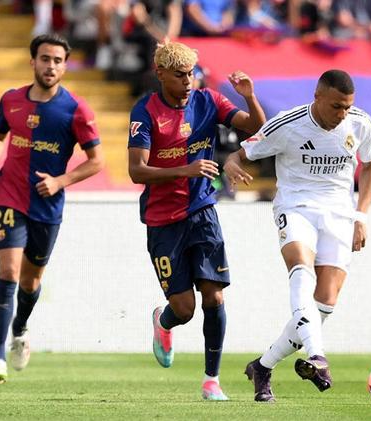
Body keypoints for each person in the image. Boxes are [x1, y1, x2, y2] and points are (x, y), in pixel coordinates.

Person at [223, 69, 371, 402]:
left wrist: (361, 216)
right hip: (296, 207)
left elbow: (370, 164)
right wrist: (231, 163)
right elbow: (241, 153)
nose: (343, 114)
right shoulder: (287, 124)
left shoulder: (361, 123)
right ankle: (318, 356)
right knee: (300, 269)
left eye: (347, 106)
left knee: (324, 304)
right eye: (336, 106)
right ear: (317, 96)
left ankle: (263, 366)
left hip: (339, 213)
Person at [127, 41, 265, 401]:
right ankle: (163, 321)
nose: (188, 81)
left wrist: (249, 97)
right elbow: (136, 170)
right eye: (180, 75)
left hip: (202, 209)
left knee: (214, 296)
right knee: (184, 309)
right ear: (161, 74)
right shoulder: (145, 111)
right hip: (162, 219)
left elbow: (255, 127)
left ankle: (211, 380)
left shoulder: (209, 101)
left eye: (191, 74)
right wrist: (184, 169)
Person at [0, 34, 105, 384]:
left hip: (47, 205)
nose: (51, 66)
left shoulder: (76, 110)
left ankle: (20, 328)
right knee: (8, 271)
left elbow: (97, 161)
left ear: (65, 66)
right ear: (32, 61)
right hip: (10, 194)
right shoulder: (11, 100)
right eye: (45, 59)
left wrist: (61, 181)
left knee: (31, 281)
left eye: (57, 61)